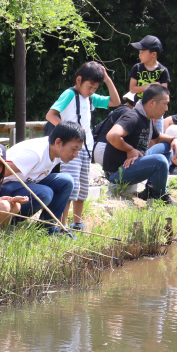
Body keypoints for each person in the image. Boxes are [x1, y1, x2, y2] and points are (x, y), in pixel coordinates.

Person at [45, 61, 121, 231]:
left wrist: (107, 79)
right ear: (79, 80)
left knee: (81, 189)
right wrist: (69, 132)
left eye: (95, 88)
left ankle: (77, 223)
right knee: (69, 188)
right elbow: (51, 115)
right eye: (90, 87)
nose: (92, 91)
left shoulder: (91, 98)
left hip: (86, 149)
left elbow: (115, 102)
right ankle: (62, 225)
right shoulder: (69, 94)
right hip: (70, 150)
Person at [0, 121, 84, 235]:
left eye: (78, 150)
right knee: (45, 193)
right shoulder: (34, 154)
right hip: (5, 188)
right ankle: (7, 221)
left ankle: (47, 228)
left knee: (66, 181)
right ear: (58, 142)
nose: (76, 155)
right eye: (74, 149)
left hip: (27, 184)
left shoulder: (56, 152)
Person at [102, 84, 177, 202]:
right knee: (160, 161)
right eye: (165, 104)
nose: (167, 109)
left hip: (135, 163)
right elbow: (112, 136)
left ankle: (150, 189)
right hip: (117, 172)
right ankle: (159, 197)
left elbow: (158, 138)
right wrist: (129, 150)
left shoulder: (146, 118)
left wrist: (174, 140)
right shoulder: (133, 117)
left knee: (167, 147)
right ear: (152, 102)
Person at [128, 35, 170, 135]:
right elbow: (132, 89)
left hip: (156, 111)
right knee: (137, 136)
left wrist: (155, 114)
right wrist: (150, 86)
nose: (139, 55)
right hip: (138, 109)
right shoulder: (137, 68)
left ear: (154, 54)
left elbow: (163, 95)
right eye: (139, 52)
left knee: (156, 138)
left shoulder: (163, 71)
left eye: (142, 52)